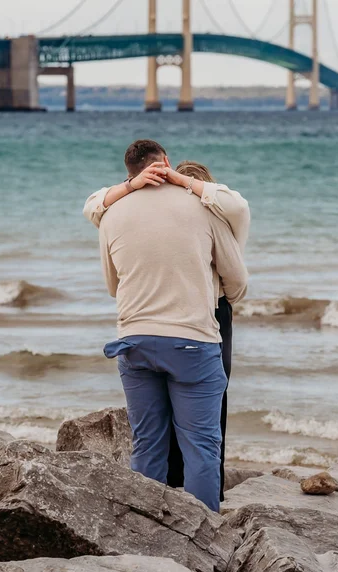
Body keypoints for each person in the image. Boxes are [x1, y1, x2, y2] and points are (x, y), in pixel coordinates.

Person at [83, 152, 250, 502]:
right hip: (192, 340)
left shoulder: (113, 212)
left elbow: (112, 284)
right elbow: (236, 278)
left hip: (134, 339)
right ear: (166, 163)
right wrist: (215, 296)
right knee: (203, 445)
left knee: (147, 442)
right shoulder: (204, 208)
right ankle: (204, 534)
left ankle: (147, 528)